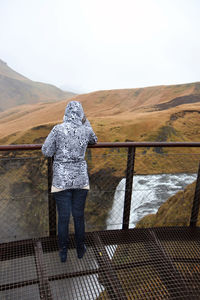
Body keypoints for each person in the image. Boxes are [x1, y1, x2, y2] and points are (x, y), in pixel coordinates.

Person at [42, 101, 97, 262]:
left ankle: (63, 252)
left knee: (64, 218)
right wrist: (85, 121)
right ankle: (80, 249)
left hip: (61, 181)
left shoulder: (57, 129)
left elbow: (46, 151)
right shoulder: (85, 130)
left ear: (66, 113)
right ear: (80, 114)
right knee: (79, 216)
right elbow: (94, 140)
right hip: (80, 180)